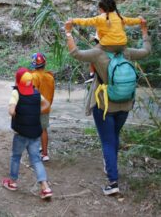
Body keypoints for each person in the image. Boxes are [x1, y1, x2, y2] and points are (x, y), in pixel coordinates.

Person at [64, 19, 151, 195]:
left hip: (104, 106)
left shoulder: (97, 54)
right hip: (125, 105)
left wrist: (68, 32)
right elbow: (146, 50)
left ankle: (113, 181)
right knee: (114, 137)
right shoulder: (126, 53)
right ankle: (111, 167)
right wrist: (144, 30)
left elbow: (75, 52)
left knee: (108, 141)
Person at [2, 67, 53, 199]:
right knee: (36, 159)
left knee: (16, 157)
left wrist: (17, 113)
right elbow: (46, 104)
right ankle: (45, 187)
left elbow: (11, 111)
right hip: (35, 133)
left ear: (18, 80)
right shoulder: (36, 93)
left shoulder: (16, 93)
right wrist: (36, 112)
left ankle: (12, 182)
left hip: (21, 133)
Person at [71, 0, 144, 52]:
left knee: (93, 55)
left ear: (101, 9)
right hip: (122, 44)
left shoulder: (100, 18)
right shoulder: (119, 17)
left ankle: (91, 72)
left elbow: (86, 21)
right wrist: (140, 19)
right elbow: (131, 21)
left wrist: (73, 20)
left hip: (107, 44)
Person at [30, 52, 55, 162]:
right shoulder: (50, 77)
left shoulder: (33, 76)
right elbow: (52, 93)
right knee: (43, 129)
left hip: (35, 108)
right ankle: (45, 154)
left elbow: (32, 93)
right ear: (44, 64)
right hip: (46, 107)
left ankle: (34, 152)